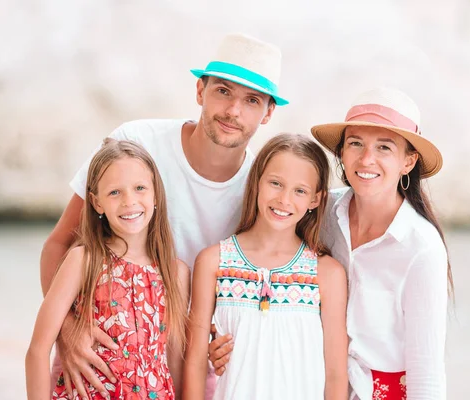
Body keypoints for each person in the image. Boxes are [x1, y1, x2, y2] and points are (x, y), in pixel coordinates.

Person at [39, 33, 288, 397]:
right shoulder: (137, 141)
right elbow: (59, 243)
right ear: (200, 91)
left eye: (251, 100)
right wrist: (67, 330)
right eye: (223, 91)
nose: (233, 111)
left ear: (267, 112)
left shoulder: (259, 192)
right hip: (96, 358)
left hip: (187, 366)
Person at [209, 88, 453, 400]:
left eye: (384, 147)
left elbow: (427, 375)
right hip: (308, 385)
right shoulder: (321, 214)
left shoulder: (421, 248)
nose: (366, 159)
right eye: (355, 144)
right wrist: (221, 338)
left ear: (408, 162)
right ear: (341, 152)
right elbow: (263, 273)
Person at [184, 134, 348, 400]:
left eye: (300, 191)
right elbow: (194, 363)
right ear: (257, 181)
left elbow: (336, 374)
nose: (284, 199)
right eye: (275, 183)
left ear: (316, 200)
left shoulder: (327, 273)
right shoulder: (213, 262)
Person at [26, 139, 189, 399]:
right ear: (96, 202)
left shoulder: (176, 272)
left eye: (139, 188)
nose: (129, 201)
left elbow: (175, 360)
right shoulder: (84, 260)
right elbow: (37, 350)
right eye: (115, 192)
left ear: (156, 193)